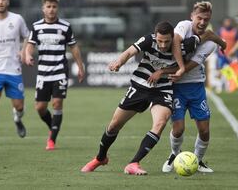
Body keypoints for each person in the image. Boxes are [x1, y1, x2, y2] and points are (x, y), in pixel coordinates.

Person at [80, 21, 222, 175]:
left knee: (160, 123)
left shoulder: (186, 45)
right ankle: (100, 158)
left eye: (167, 41)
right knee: (114, 125)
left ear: (173, 37)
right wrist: (119, 63)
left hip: (163, 89)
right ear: (155, 36)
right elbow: (129, 52)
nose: (162, 45)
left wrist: (162, 72)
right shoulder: (149, 40)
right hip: (140, 86)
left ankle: (133, 163)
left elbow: (201, 41)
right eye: (160, 41)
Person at [162, 1, 226, 174]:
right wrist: (177, 69)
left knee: (205, 131)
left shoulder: (211, 43)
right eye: (199, 18)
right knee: (178, 129)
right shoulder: (183, 26)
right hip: (176, 87)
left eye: (206, 19)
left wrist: (180, 68)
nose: (202, 22)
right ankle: (174, 155)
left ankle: (197, 161)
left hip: (196, 85)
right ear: (192, 17)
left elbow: (192, 64)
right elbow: (175, 40)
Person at [24, 0, 85, 150]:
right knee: (40, 107)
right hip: (43, 72)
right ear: (43, 9)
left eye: (54, 7)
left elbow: (74, 47)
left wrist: (80, 66)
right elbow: (30, 44)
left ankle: (52, 139)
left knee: (57, 103)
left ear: (57, 9)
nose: (51, 10)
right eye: (48, 7)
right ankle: (54, 126)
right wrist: (28, 55)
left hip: (60, 71)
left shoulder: (65, 26)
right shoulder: (37, 26)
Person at [0, 0, 28, 146]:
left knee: (19, 106)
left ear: (8, 2)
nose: (0, 2)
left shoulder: (17, 19)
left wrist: (23, 50)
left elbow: (27, 36)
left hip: (13, 69)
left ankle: (17, 117)